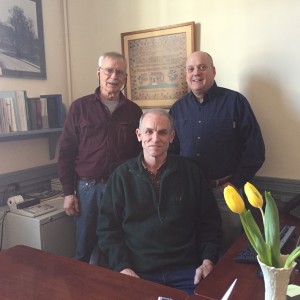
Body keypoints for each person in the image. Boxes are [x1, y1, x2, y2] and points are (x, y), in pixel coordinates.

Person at [97, 109, 222, 294]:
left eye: (162, 132)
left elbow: (210, 223)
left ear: (172, 136)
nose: (155, 138)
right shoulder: (121, 177)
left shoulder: (191, 173)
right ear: (139, 135)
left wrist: (207, 261)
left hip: (187, 272)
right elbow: (107, 230)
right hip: (138, 272)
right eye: (149, 131)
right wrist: (122, 267)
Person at [169, 51, 265, 253]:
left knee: (229, 250)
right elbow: (172, 152)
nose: (196, 73)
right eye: (191, 68)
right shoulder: (177, 109)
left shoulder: (236, 102)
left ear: (213, 71)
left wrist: (236, 182)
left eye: (202, 67)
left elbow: (255, 149)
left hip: (226, 192)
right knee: (195, 246)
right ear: (186, 74)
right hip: (191, 193)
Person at [58, 51, 143, 262]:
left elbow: (139, 155)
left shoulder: (134, 112)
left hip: (121, 188)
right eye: (109, 70)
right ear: (99, 73)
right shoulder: (80, 107)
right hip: (88, 190)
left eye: (119, 72)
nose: (113, 76)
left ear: (125, 78)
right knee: (84, 248)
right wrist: (68, 192)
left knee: (118, 244)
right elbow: (66, 151)